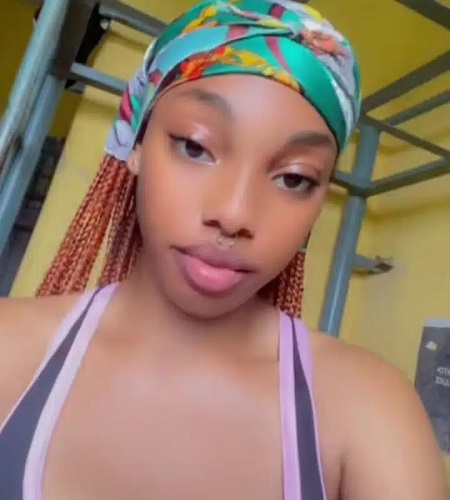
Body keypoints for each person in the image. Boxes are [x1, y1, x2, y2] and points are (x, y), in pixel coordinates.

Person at [0, 1, 447, 499]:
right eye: (194, 147)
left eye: (294, 178)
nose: (234, 215)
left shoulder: (369, 407)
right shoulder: (7, 346)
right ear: (137, 145)